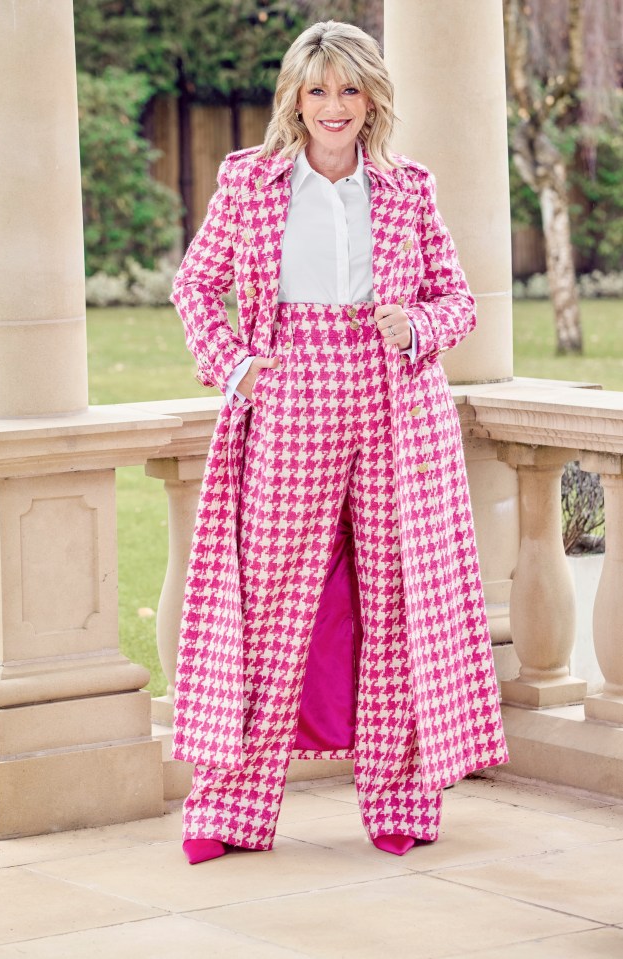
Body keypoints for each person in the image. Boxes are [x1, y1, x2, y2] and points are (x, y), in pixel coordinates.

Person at [170, 20, 508, 865]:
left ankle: (400, 797)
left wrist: (418, 324)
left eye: (348, 90)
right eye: (316, 89)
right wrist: (241, 370)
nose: (332, 106)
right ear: (294, 97)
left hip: (396, 402)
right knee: (271, 602)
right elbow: (195, 287)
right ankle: (230, 808)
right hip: (289, 397)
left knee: (395, 601)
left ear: (370, 100)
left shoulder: (407, 188)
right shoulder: (248, 183)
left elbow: (459, 301)